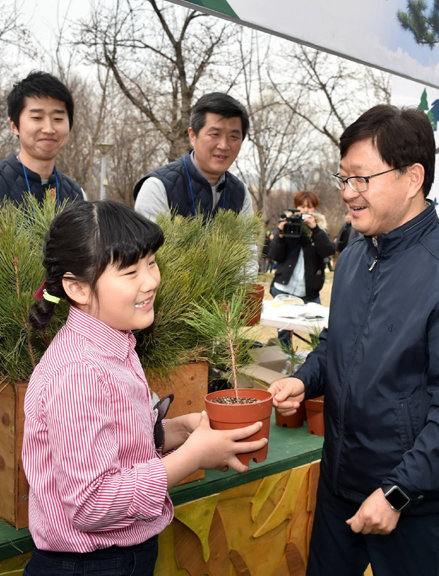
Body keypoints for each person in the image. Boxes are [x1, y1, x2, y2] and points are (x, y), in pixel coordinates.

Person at [269, 105, 439, 576]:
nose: (348, 194)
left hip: (409, 504)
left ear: (412, 177)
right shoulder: (355, 255)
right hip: (340, 483)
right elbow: (339, 343)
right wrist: (305, 380)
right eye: (343, 178)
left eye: (361, 179)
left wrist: (397, 492)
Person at [22, 200, 266, 576]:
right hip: (87, 567)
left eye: (151, 262)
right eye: (130, 271)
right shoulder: (79, 373)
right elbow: (90, 503)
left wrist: (175, 432)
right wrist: (192, 457)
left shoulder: (113, 343)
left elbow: (111, 447)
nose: (151, 280)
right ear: (78, 288)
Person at [134, 92, 253, 223]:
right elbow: (150, 243)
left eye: (234, 137)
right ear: (192, 136)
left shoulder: (241, 194)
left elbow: (247, 243)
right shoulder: (157, 188)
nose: (224, 146)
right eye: (215, 134)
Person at [0, 71, 85, 208]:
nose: (49, 129)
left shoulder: (76, 195)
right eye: (37, 118)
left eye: (58, 119)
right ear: (14, 126)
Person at [268, 190, 336, 349]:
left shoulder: (320, 229)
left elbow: (328, 251)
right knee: (283, 333)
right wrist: (281, 235)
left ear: (315, 209)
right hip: (284, 288)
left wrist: (315, 229)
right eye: (302, 206)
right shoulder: (288, 224)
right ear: (296, 206)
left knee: (317, 333)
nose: (305, 210)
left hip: (309, 292)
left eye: (310, 207)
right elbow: (274, 256)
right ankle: (285, 363)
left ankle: (320, 366)